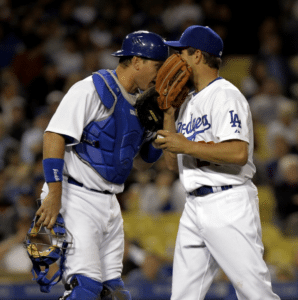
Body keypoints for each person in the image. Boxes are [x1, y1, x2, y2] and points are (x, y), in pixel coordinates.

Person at [34, 30, 169, 300]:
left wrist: (164, 126)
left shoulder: (146, 103)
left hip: (110, 202)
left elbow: (148, 157)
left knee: (115, 292)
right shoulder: (92, 88)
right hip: (76, 194)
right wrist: (54, 193)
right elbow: (53, 135)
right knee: (85, 287)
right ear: (137, 61)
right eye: (157, 66)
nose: (160, 74)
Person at [154, 25, 280, 299]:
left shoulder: (226, 95)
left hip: (227, 203)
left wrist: (184, 144)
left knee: (255, 294)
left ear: (197, 55)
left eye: (182, 52)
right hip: (194, 205)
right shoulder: (187, 102)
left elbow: (238, 153)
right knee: (183, 296)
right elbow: (171, 164)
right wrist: (168, 116)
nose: (176, 60)